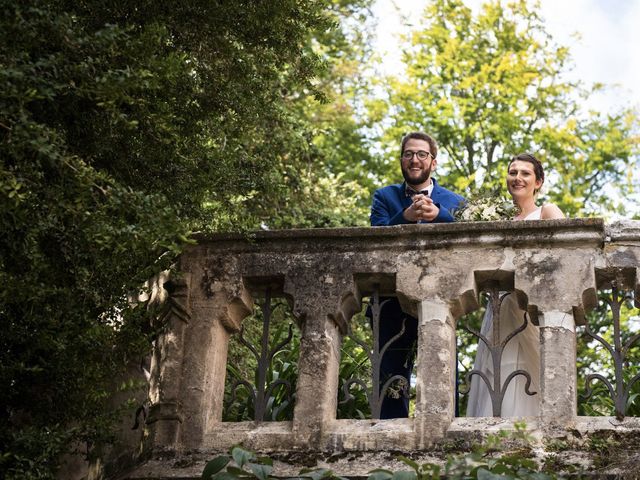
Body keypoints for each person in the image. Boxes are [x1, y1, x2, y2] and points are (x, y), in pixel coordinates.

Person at [369, 131, 464, 419]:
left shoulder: (455, 201)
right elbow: (373, 244)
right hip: (390, 303)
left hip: (441, 299)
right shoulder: (384, 196)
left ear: (433, 162)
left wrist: (441, 216)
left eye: (422, 154)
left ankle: (445, 442)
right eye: (409, 154)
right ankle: (389, 439)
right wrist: (404, 219)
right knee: (390, 378)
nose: (415, 159)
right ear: (402, 160)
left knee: (442, 372)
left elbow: (466, 246)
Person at [466, 153, 564, 417]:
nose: (517, 178)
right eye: (513, 172)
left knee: (528, 376)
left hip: (530, 311)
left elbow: (564, 257)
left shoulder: (547, 212)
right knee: (499, 373)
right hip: (499, 312)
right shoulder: (495, 221)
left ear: (538, 182)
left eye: (525, 173)